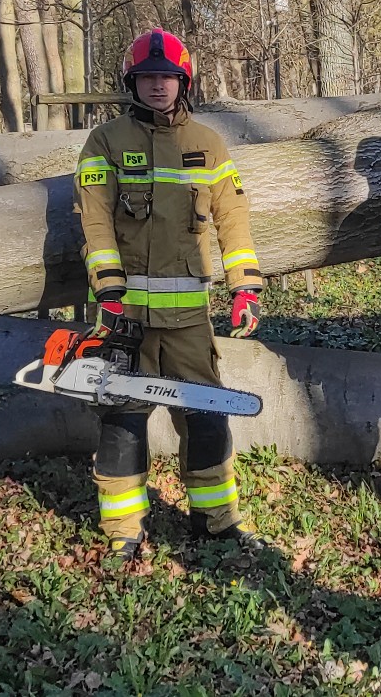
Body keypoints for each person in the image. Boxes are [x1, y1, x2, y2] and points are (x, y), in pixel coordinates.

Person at [73, 28, 267, 562]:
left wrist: (245, 287)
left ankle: (216, 520)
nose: (158, 85)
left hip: (188, 321)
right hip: (125, 316)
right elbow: (94, 219)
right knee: (122, 420)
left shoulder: (208, 144)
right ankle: (123, 528)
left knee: (206, 417)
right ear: (132, 81)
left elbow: (233, 217)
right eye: (148, 77)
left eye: (168, 77)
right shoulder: (106, 142)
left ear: (183, 82)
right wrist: (108, 289)